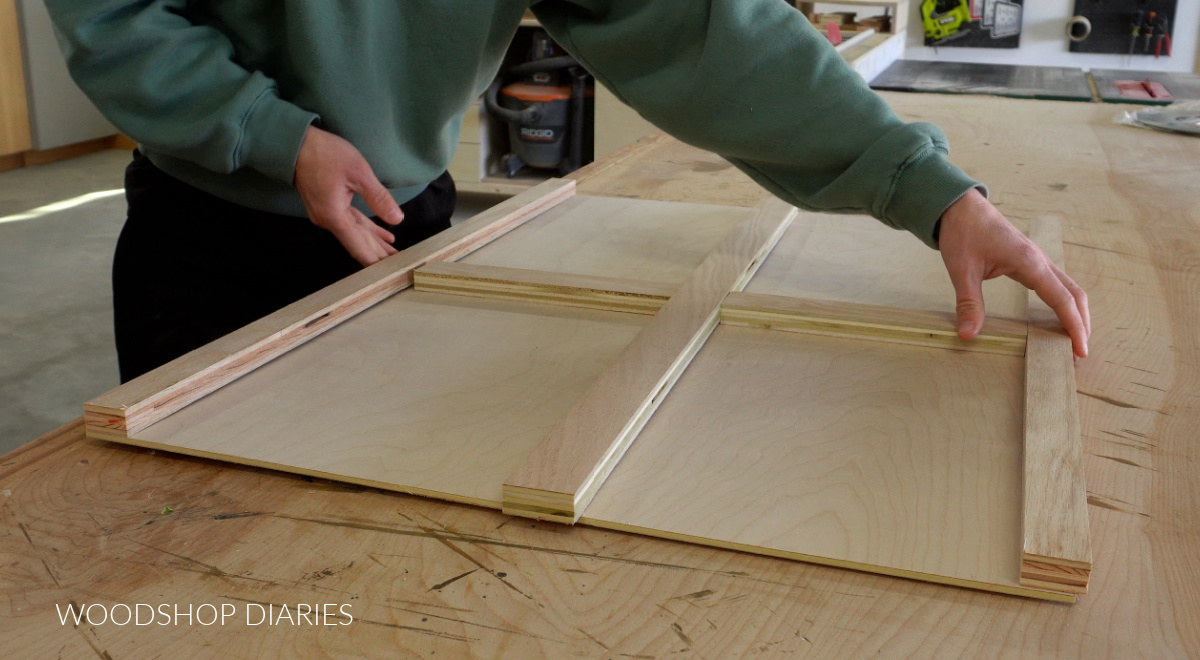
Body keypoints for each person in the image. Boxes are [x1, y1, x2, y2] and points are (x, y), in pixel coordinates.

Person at [45, 0, 1089, 383]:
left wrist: (935, 192)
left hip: (402, 227)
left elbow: (706, 31)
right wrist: (278, 137)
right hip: (212, 241)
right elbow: (115, 15)